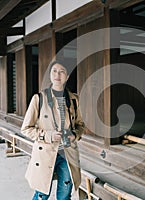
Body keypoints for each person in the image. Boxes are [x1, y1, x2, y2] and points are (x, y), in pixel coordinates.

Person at [21, 60, 85, 200]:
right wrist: (48, 136)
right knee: (42, 194)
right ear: (50, 75)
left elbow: (80, 125)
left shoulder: (74, 99)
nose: (58, 74)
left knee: (65, 195)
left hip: (67, 154)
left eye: (62, 71)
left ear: (67, 77)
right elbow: (26, 128)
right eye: (54, 71)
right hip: (45, 152)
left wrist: (74, 135)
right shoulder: (39, 98)